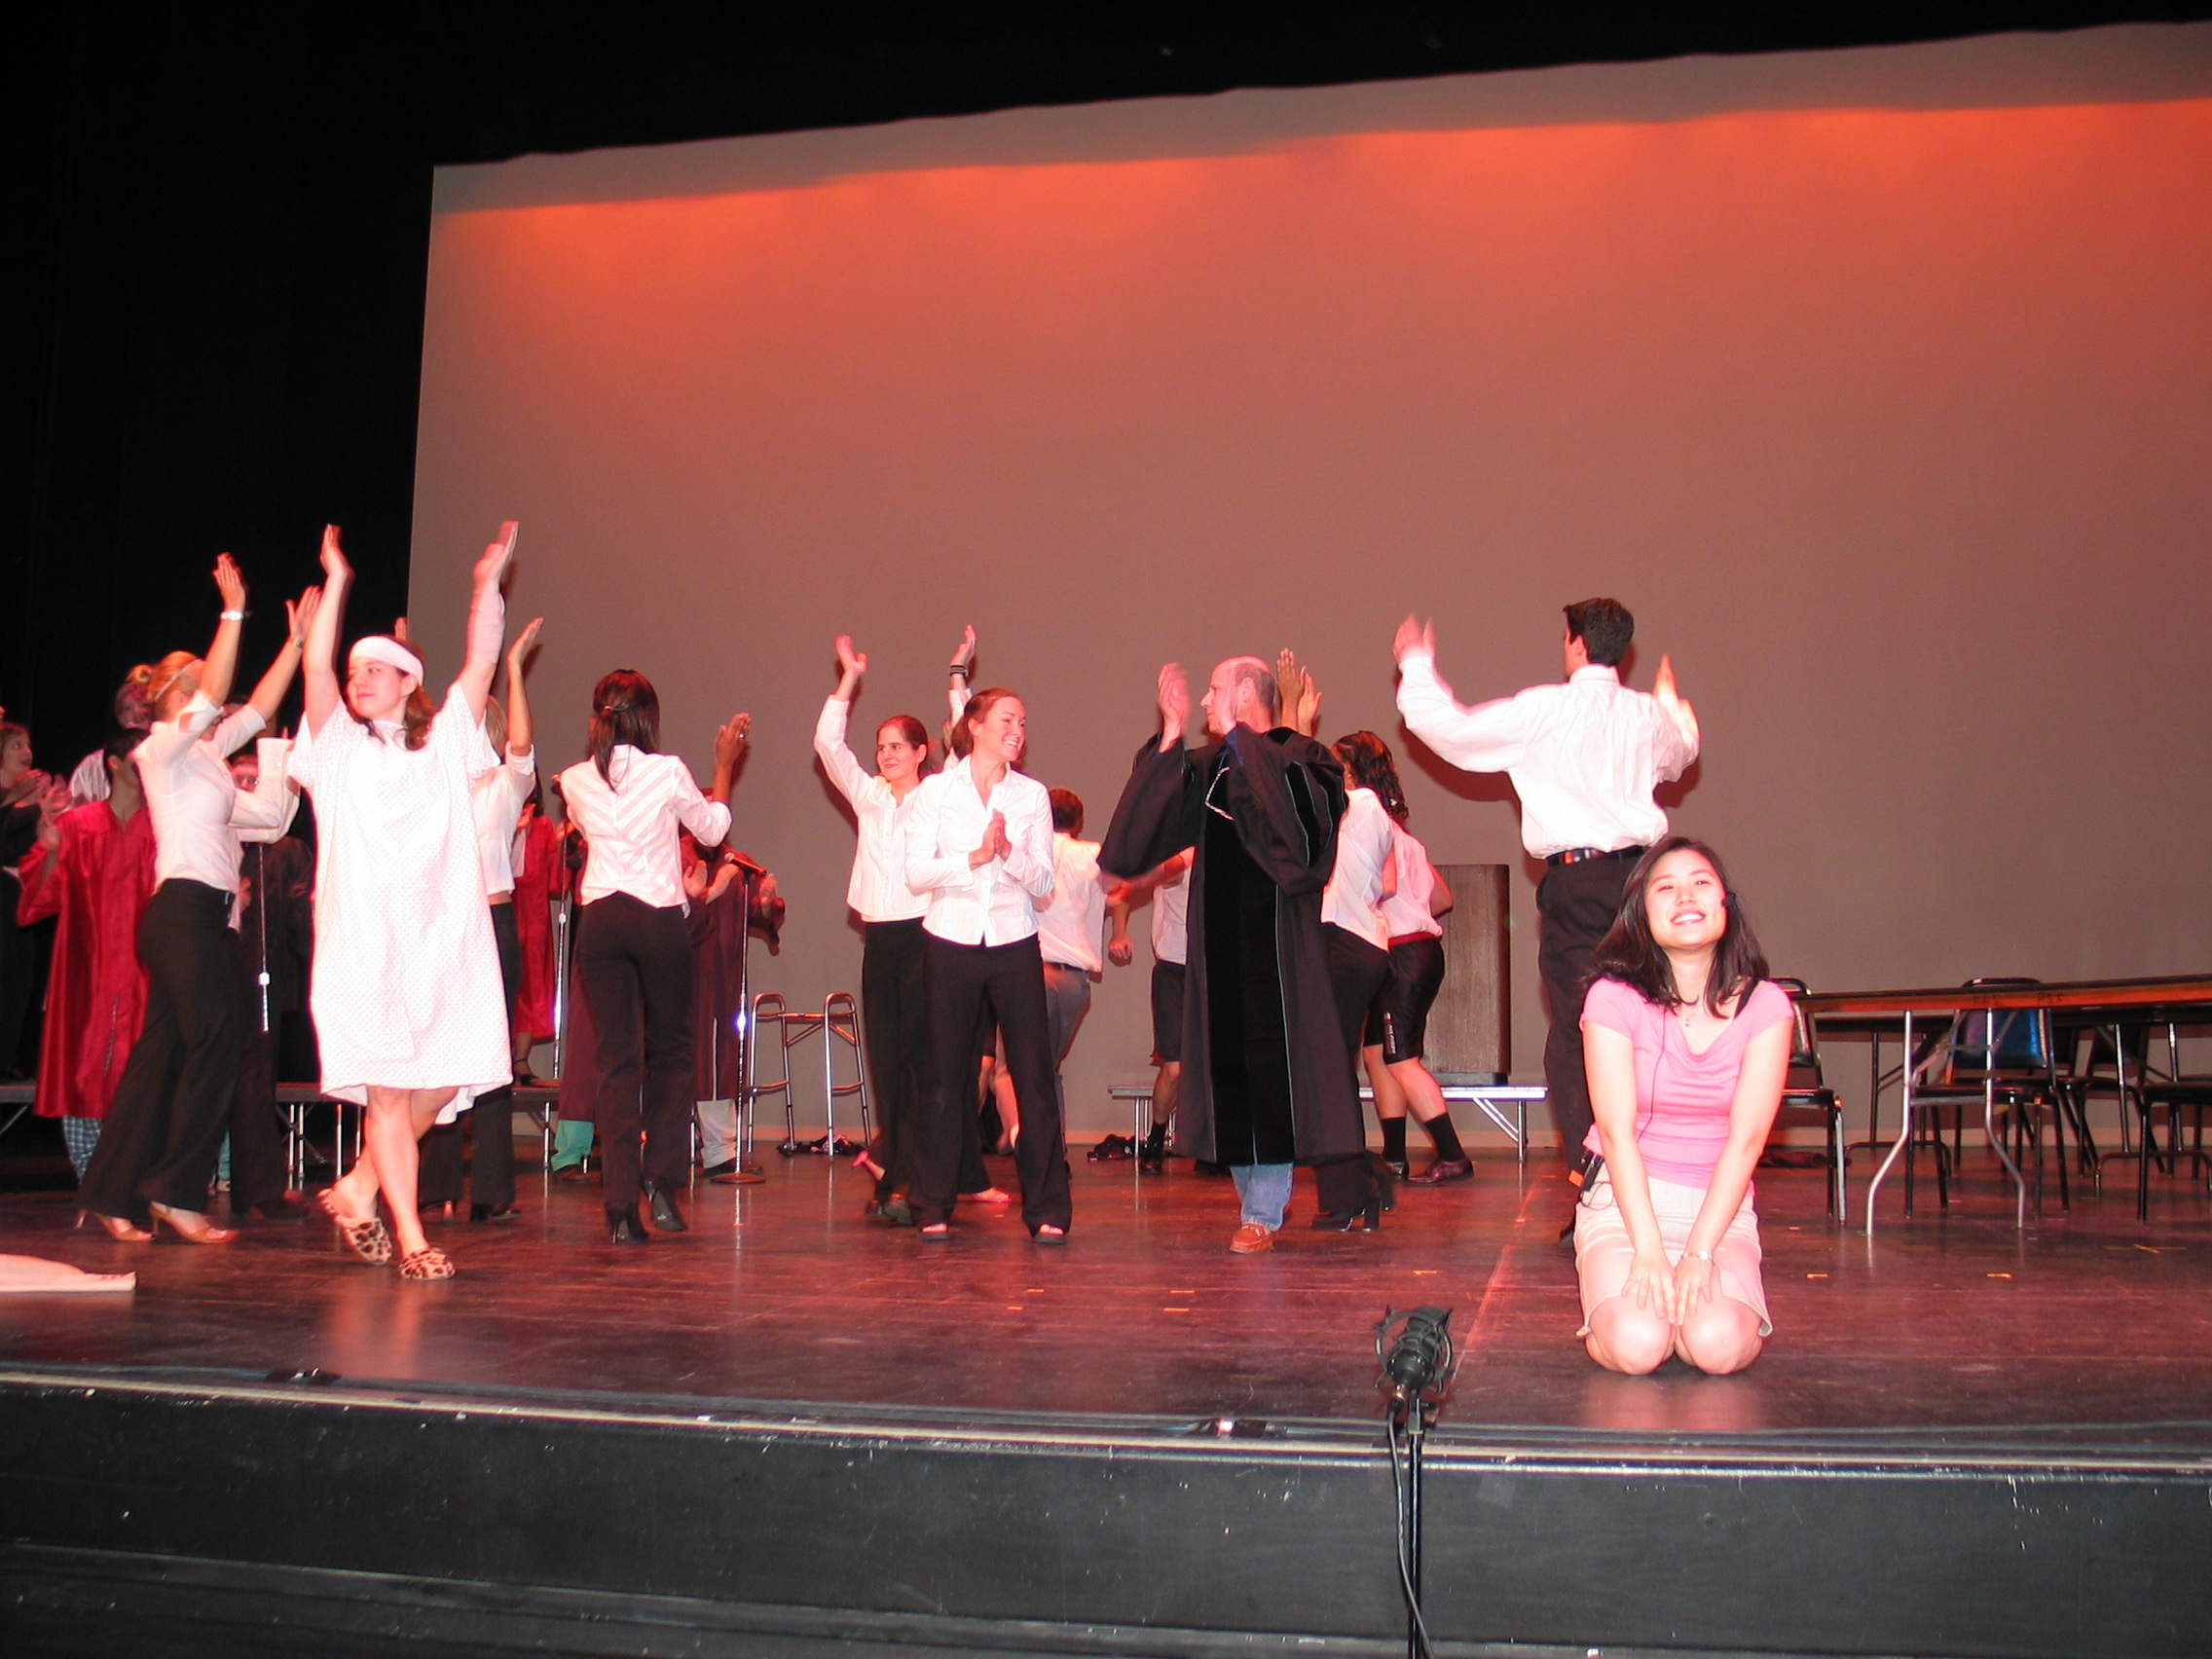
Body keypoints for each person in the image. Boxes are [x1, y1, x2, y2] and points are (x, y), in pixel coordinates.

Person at [1394, 601, 1699, 1202]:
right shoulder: (1645, 714)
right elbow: (1682, 751)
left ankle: (1599, 1187)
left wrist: (1415, 662)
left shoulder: (1546, 710)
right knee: (1649, 1024)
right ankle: (1657, 1176)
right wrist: (1672, 706)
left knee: (1579, 1031)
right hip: (1646, 883)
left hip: (1580, 885)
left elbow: (1452, 733)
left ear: (1577, 644)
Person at [291, 523, 514, 1280]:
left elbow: (481, 662)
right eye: (355, 670)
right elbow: (314, 663)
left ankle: (359, 1187)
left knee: (450, 1074)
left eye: (375, 670)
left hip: (442, 940)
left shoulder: (443, 741)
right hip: (365, 944)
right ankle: (412, 1238)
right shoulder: (338, 748)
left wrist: (486, 586)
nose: (358, 678)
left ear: (408, 682)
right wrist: (337, 579)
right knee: (388, 1094)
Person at [78, 555, 315, 1243]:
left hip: (206, 920)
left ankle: (110, 1191)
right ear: (180, 693)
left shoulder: (207, 762)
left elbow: (261, 736)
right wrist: (233, 613)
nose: (219, 695)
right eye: (205, 683)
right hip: (182, 913)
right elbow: (217, 698)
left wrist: (296, 645)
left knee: (162, 1056)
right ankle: (175, 1192)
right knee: (218, 1037)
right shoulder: (163, 750)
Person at [1099, 658, 1363, 1255]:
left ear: (1246, 690)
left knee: (1269, 1074)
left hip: (1275, 951)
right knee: (1230, 1078)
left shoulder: (1303, 758)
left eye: (1215, 689)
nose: (1205, 701)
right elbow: (1150, 825)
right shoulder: (1210, 765)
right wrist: (1169, 735)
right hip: (1216, 954)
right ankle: (1256, 1206)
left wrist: (1246, 740)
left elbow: (1303, 849)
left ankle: (1262, 1212)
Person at [1575, 837, 1788, 1375]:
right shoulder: (1612, 998)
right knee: (1638, 1345)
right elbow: (1616, 1133)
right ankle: (1637, 1317)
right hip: (1624, 1205)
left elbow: (1747, 1141)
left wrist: (1698, 1253)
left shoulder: (1766, 1005)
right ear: (1642, 916)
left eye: (1701, 883)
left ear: (1725, 904)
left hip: (1718, 1209)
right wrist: (1649, 1252)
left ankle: (1690, 1320)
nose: (1685, 896)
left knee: (1717, 1348)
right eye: (1665, 888)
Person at [557, 670, 747, 1243]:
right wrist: (724, 765)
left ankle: (619, 1204)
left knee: (616, 1062)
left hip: (601, 921)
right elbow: (711, 831)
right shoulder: (666, 771)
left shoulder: (574, 780)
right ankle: (661, 1182)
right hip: (657, 917)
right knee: (671, 1054)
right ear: (647, 718)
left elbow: (588, 829)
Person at [903, 684, 1070, 1242]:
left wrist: (1007, 853)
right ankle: (931, 1203)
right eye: (1006, 720)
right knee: (944, 1077)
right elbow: (916, 874)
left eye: (1022, 722)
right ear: (974, 726)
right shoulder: (936, 792)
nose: (1017, 731)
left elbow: (1043, 881)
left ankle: (1047, 1209)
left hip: (1013, 942)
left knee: (1033, 1075)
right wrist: (973, 857)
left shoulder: (1031, 796)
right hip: (950, 940)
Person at [1332, 731, 1468, 1184]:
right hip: (1408, 951)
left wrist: (1382, 909)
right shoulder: (1402, 834)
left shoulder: (1365, 827)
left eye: (1335, 767)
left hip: (1404, 953)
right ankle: (1393, 1155)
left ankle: (1452, 1154)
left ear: (1350, 774)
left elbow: (1384, 887)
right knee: (1376, 1053)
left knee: (1401, 1059)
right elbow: (1443, 898)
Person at [16, 736, 156, 1177]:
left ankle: (130, 1176)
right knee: (84, 1064)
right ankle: (92, 1178)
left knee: (143, 1069)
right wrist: (52, 851)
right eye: (138, 762)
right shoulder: (77, 824)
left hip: (145, 968)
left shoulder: (163, 827)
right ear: (113, 764)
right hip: (86, 969)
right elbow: (39, 902)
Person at [223, 726, 310, 1223]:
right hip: (216, 969)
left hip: (265, 979)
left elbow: (301, 921)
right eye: (239, 781)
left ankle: (257, 1189)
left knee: (256, 1080)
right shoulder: (218, 839)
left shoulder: (287, 850)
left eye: (256, 781)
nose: (247, 790)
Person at [1032, 788, 1131, 1121]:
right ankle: (1052, 1146)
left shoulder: (1027, 852)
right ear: (1078, 822)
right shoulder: (1092, 855)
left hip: (1031, 971)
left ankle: (1022, 1139)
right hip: (1073, 980)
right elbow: (1121, 891)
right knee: (1049, 1069)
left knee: (1013, 1068)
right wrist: (1119, 932)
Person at [0, 722, 54, 1076]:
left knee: (19, 984)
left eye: (28, 745)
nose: (26, 752)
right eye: (16, 745)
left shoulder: (31, 800)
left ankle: (7, 1060)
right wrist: (23, 806)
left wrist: (46, 811)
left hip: (19, 906)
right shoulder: (13, 802)